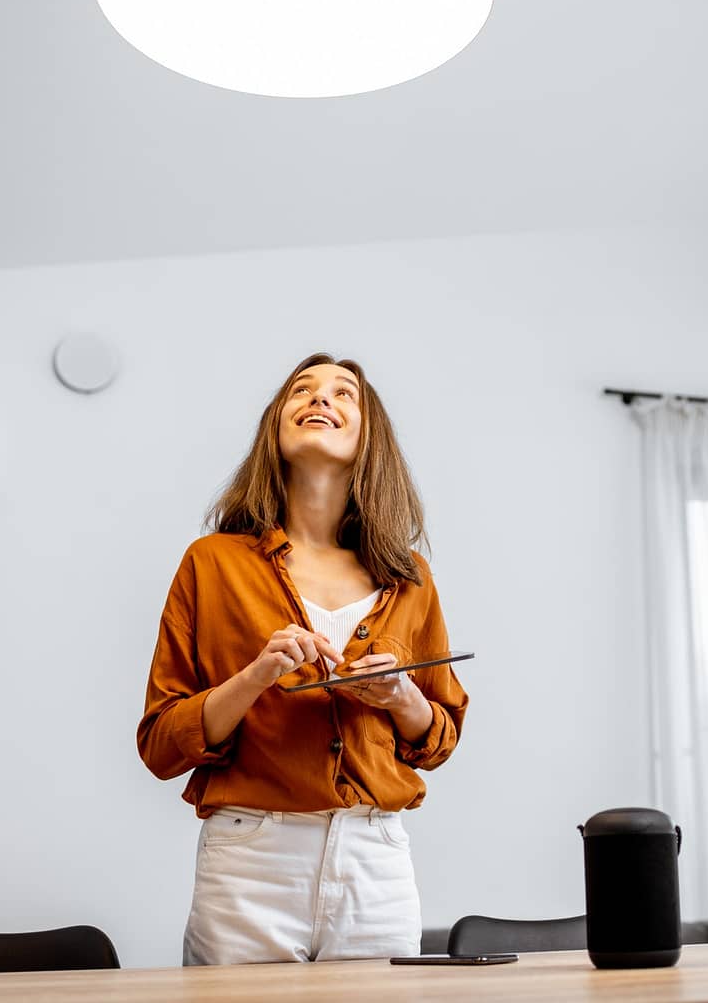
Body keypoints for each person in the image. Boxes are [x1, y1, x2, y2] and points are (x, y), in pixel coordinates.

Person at [137, 353, 468, 964]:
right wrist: (257, 676)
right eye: (302, 391)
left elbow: (439, 738)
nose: (320, 399)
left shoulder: (409, 577)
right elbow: (160, 744)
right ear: (276, 428)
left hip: (376, 864)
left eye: (345, 393)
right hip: (249, 865)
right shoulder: (211, 563)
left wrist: (402, 698)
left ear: (371, 437)